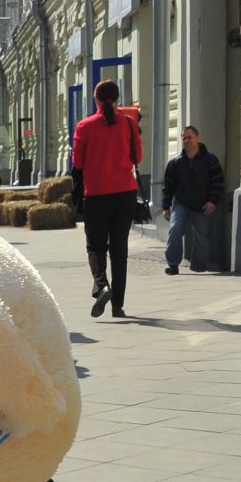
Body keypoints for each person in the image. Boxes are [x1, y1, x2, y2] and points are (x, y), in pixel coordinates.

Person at [72, 79, 142, 318]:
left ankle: (101, 285)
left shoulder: (85, 126)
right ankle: (118, 306)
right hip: (125, 193)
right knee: (119, 249)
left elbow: (77, 163)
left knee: (96, 246)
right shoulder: (129, 123)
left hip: (97, 194)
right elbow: (138, 157)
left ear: (97, 100)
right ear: (118, 98)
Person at [161, 125, 224, 275]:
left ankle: (198, 266)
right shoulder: (175, 163)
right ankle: (173, 264)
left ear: (198, 138)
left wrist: (212, 201)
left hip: (202, 205)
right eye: (184, 138)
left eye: (190, 137)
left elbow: (217, 182)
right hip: (181, 204)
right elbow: (168, 186)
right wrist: (166, 206)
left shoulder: (210, 160)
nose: (187, 140)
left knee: (202, 237)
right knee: (175, 230)